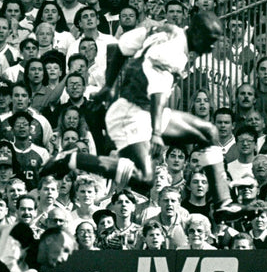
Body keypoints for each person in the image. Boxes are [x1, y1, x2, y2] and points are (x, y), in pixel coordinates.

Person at [41, 12, 246, 222]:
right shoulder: (174, 52)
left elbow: (122, 46)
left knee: (208, 132)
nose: (212, 47)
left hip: (147, 111)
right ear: (197, 33)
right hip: (131, 114)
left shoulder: (166, 30)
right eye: (210, 41)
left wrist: (109, 86)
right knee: (144, 179)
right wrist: (156, 133)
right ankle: (71, 159)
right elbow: (157, 92)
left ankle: (223, 203)